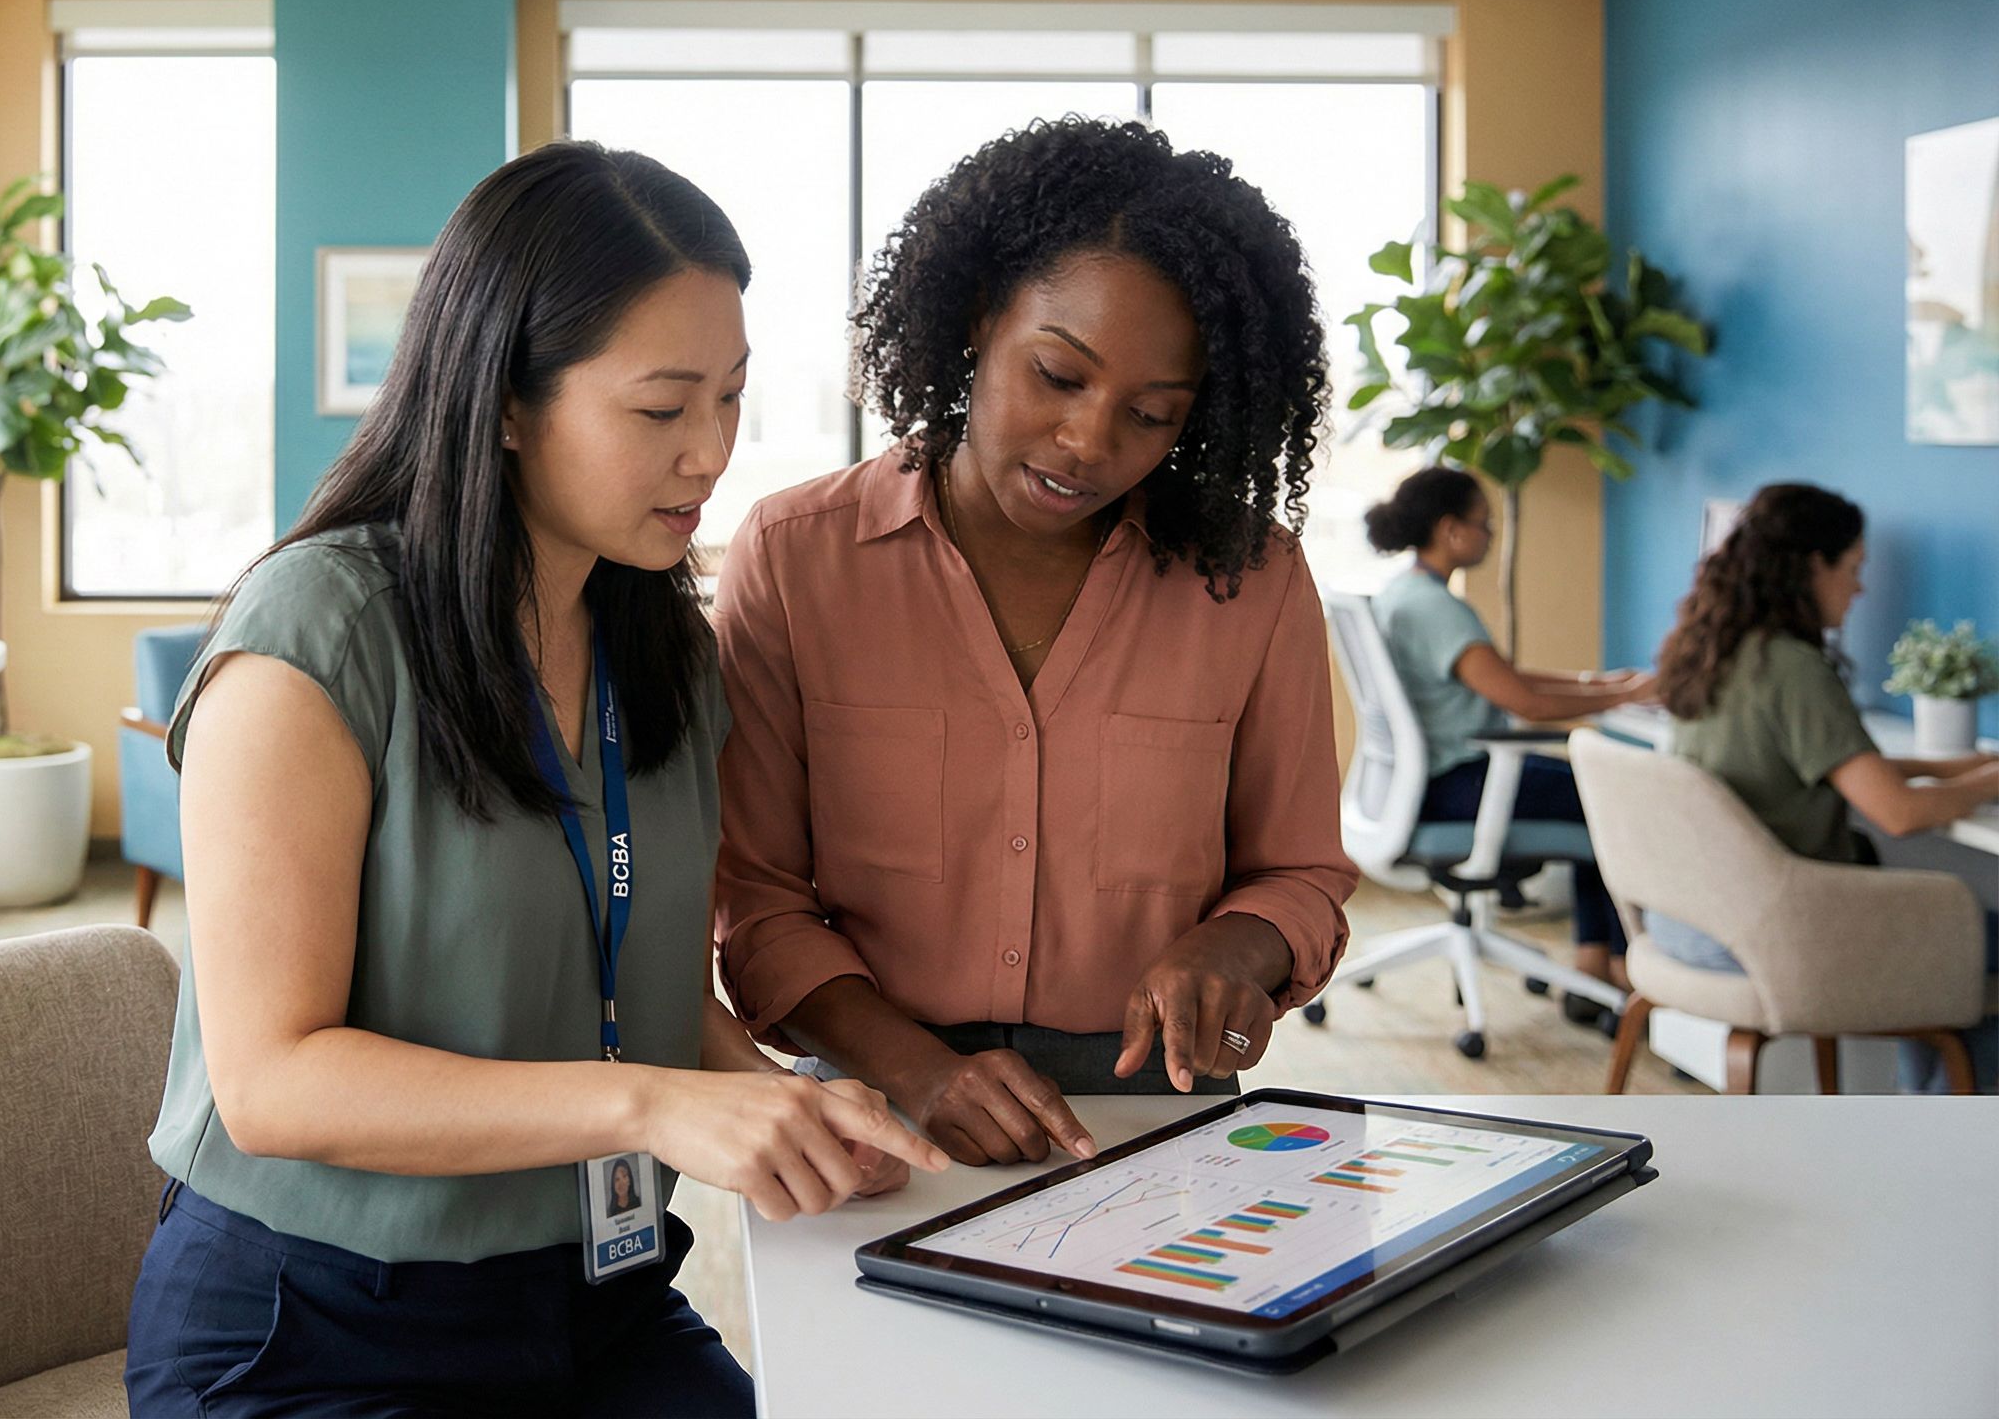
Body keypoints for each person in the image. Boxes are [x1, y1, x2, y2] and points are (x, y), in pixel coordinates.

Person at [128, 142, 944, 1418]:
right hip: (317, 1325)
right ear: (506, 403)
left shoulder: (661, 643)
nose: (711, 453)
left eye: (730, 399)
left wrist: (769, 1101)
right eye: (661, 409)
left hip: (592, 1298)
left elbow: (635, 988)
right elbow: (272, 1082)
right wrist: (654, 1106)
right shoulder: (319, 633)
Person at [713, 116, 1356, 1175]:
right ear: (977, 319)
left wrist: (1233, 948)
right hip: (879, 1093)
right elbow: (759, 899)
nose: (1089, 443)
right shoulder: (796, 559)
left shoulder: (1251, 580)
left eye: (1151, 414)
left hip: (1154, 1102)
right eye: (1057, 377)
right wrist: (916, 1070)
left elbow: (1298, 871)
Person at [1650, 483, 1999, 1092]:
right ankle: (1955, 1149)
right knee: (1972, 939)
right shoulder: (1792, 668)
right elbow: (1898, 813)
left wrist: (1957, 770)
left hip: (1688, 920)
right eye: (1855, 568)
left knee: (1947, 941)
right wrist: (1987, 783)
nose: (1861, 588)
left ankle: (1924, 1122)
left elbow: (1846, 766)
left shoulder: (1711, 651)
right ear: (1815, 564)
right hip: (1773, 937)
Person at [1364, 464, 1655, 1021]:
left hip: (1428, 783)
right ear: (1450, 530)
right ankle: (1615, 969)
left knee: (1597, 791)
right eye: (1484, 523)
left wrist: (1607, 685)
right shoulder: (1436, 608)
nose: (1491, 534)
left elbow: (1506, 677)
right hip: (1460, 783)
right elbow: (1528, 703)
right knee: (1617, 798)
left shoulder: (1405, 595)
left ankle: (1595, 962)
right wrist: (1620, 699)